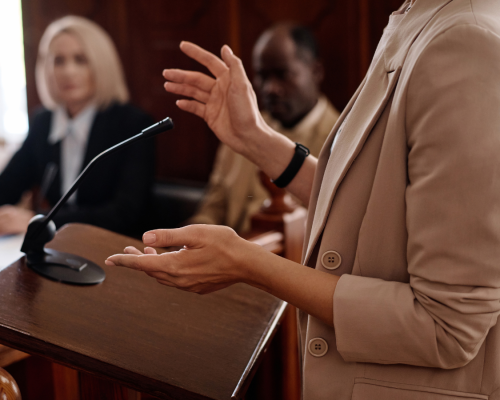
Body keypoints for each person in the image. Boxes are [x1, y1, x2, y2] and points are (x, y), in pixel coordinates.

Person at [107, 0, 500, 398]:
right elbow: (372, 209)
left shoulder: (466, 41)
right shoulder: (421, 17)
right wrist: (255, 138)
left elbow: (448, 325)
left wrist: (248, 262)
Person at [0, 16, 154, 237]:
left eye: (80, 59)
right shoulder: (43, 121)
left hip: (114, 251)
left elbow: (125, 214)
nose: (68, 71)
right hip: (58, 249)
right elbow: (8, 185)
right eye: (58, 60)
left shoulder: (133, 125)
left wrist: (40, 220)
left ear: (100, 65)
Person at [189, 23, 339, 233]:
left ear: (316, 71)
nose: (270, 88)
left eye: (282, 74)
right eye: (262, 76)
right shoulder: (239, 127)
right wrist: (187, 241)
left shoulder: (342, 140)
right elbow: (213, 208)